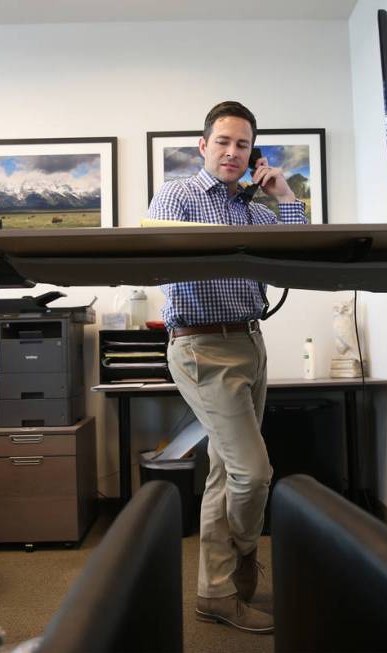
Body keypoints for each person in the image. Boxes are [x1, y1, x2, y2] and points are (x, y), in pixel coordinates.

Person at [146, 101, 306, 634]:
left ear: (253, 151)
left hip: (251, 343)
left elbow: (301, 254)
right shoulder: (178, 194)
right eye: (223, 142)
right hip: (200, 349)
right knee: (252, 472)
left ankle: (214, 593)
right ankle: (241, 555)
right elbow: (166, 257)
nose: (233, 152)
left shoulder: (260, 210)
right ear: (203, 146)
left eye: (243, 144)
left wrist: (284, 197)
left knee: (224, 470)